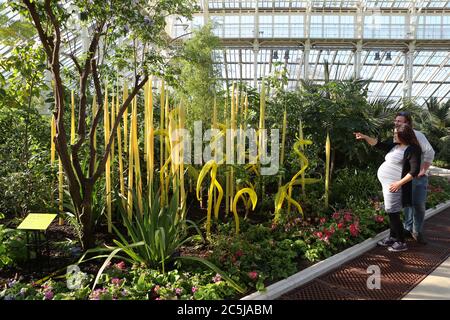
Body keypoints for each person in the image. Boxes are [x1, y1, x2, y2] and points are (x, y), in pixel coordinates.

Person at [354, 123, 421, 252]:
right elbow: (377, 144)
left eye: (396, 134)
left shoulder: (413, 149)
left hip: (395, 186)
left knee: (393, 212)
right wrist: (365, 137)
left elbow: (414, 171)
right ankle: (392, 237)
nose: (393, 136)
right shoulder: (396, 146)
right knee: (391, 212)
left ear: (404, 135)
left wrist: (398, 183)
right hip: (388, 185)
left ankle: (401, 242)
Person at [394, 111, 435, 244]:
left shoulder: (417, 135)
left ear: (408, 123)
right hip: (405, 176)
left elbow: (430, 152)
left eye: (400, 121)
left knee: (418, 205)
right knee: (407, 204)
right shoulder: (397, 135)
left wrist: (423, 170)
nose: (396, 123)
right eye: (396, 120)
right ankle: (407, 228)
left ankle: (417, 231)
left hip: (417, 177)